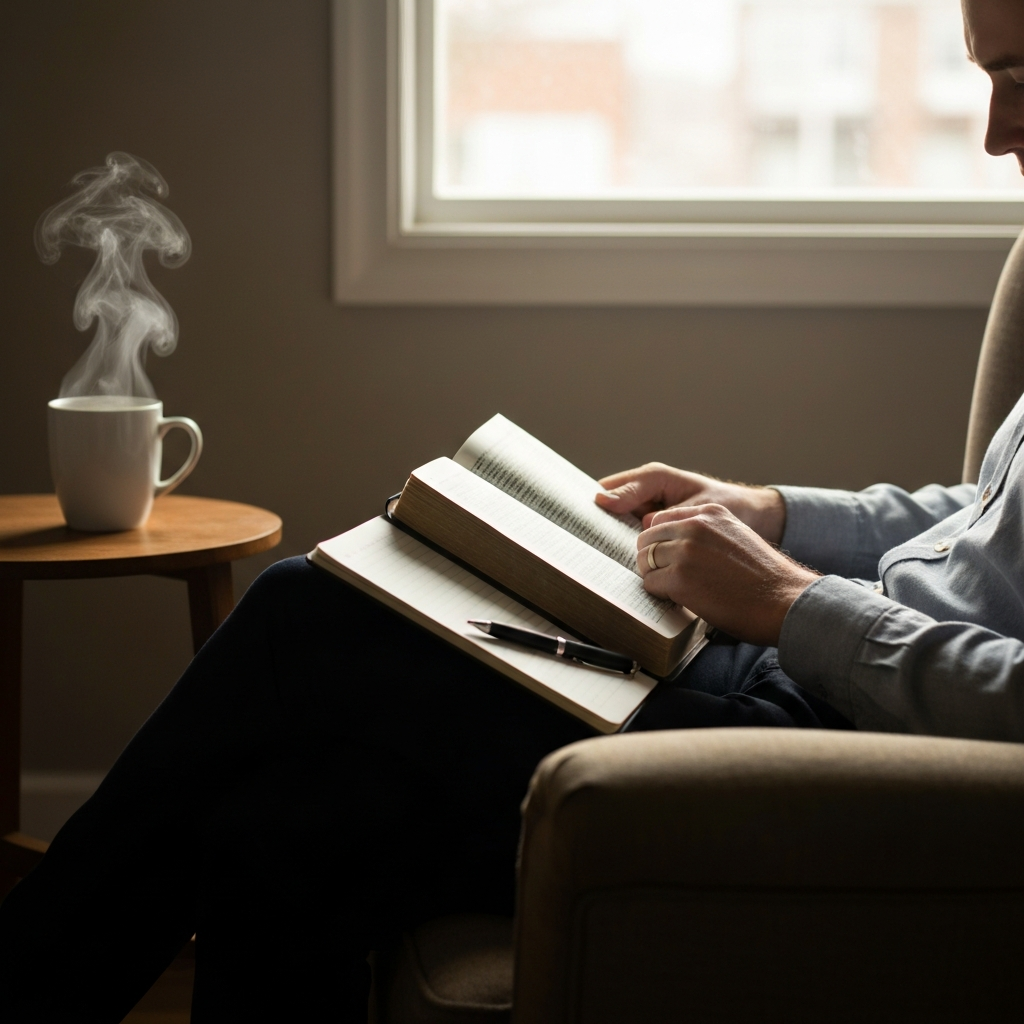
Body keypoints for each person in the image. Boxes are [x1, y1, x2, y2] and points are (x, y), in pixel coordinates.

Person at [3, 0, 1024, 1020]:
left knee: (302, 611)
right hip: (795, 676)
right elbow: (981, 515)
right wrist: (770, 512)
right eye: (984, 78)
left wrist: (793, 602)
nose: (993, 133)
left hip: (863, 756)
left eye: (1017, 79)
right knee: (281, 822)